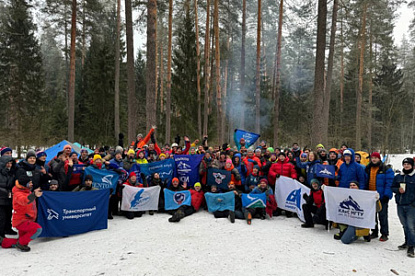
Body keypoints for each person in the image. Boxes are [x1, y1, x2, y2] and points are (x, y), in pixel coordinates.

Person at [0, 175, 42, 252]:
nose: (31, 184)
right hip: (21, 221)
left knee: (22, 239)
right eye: (29, 183)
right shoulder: (18, 193)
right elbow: (24, 200)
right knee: (37, 229)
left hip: (27, 219)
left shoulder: (26, 191)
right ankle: (20, 244)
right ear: (24, 184)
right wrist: (34, 195)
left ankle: (4, 242)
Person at [365, 152, 394, 241]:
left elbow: (389, 183)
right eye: (372, 158)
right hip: (370, 195)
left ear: (379, 159)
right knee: (372, 216)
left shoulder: (386, 169)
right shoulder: (368, 168)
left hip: (381, 196)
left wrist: (387, 195)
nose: (374, 160)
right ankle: (374, 231)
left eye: (376, 158)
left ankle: (384, 233)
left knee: (382, 215)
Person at [391, 157, 415, 258]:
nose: (406, 166)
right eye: (404, 164)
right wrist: (397, 190)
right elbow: (392, 187)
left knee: (411, 226)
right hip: (400, 204)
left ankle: (411, 246)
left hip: (411, 205)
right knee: (404, 224)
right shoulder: (398, 176)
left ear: (412, 165)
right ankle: (407, 241)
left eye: (408, 164)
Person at [0, 155, 16, 237]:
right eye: (7, 163)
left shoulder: (12, 173)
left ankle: (7, 229)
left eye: (10, 163)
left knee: (8, 215)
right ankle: (1, 235)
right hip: (1, 198)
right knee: (1, 218)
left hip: (9, 198)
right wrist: (6, 192)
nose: (9, 165)